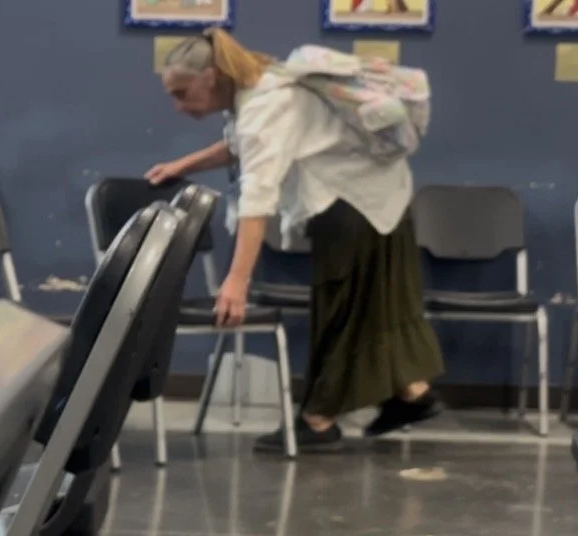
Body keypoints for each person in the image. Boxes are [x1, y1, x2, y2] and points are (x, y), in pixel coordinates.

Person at [146, 29, 444, 453]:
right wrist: (184, 165)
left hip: (352, 207)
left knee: (341, 312)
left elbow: (258, 195)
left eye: (182, 92)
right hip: (377, 197)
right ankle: (413, 393)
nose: (178, 106)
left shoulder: (265, 106)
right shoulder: (265, 85)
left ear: (211, 76)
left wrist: (237, 281)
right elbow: (241, 146)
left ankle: (318, 421)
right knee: (373, 308)